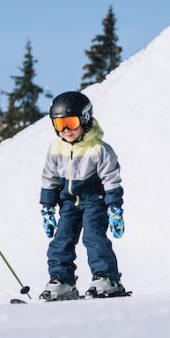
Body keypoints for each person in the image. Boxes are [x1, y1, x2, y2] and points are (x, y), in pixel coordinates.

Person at [38, 91, 128, 300]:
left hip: (94, 202)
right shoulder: (55, 148)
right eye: (60, 124)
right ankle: (62, 281)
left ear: (85, 118)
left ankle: (106, 278)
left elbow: (111, 180)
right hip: (68, 204)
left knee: (94, 238)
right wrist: (47, 208)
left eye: (70, 122)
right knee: (61, 242)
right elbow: (49, 178)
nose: (66, 130)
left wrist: (114, 208)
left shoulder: (99, 149)